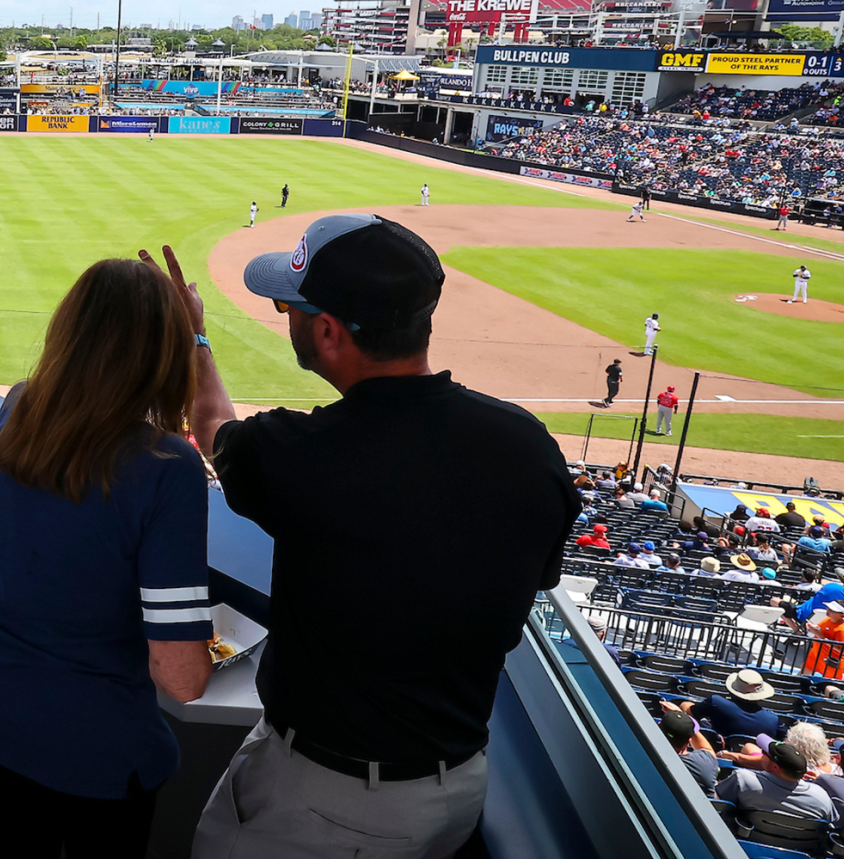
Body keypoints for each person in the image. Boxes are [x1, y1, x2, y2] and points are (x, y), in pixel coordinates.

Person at [171, 215, 577, 858]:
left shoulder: (300, 454)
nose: (288, 319)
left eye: (290, 307)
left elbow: (212, 424)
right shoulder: (530, 444)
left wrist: (193, 333)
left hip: (328, 806)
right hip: (459, 789)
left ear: (328, 331)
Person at [0, 258, 212, 858]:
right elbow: (183, 679)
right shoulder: (169, 467)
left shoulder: (20, 404)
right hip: (90, 740)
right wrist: (196, 337)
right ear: (164, 354)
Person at [716, 740, 834, 822]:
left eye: (764, 753)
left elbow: (717, 804)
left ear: (776, 767)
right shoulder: (822, 798)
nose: (761, 755)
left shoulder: (742, 780)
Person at [667, 669, 786, 745]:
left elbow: (689, 711)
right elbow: (784, 740)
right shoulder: (773, 720)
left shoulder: (716, 702)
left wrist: (685, 704)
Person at [660, 713, 719, 796]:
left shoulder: (646, 756)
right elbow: (708, 751)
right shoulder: (704, 761)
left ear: (659, 726)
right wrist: (686, 720)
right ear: (688, 741)